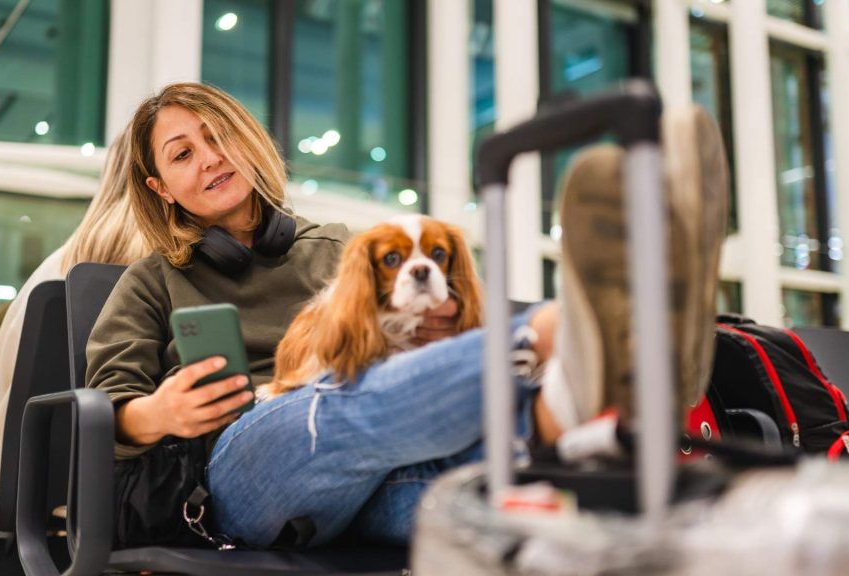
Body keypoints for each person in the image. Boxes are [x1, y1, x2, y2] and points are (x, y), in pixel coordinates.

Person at [86, 82, 728, 547]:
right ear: (160, 190)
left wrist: (435, 337)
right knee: (335, 397)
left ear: (249, 141)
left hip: (375, 478)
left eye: (218, 136)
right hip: (236, 474)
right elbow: (101, 411)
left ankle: (587, 403)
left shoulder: (340, 248)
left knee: (486, 490)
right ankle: (572, 336)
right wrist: (156, 414)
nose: (210, 157)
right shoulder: (150, 283)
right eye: (182, 153)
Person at [0, 126, 151, 488]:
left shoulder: (53, 269)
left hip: (30, 484)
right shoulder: (178, 274)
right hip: (134, 495)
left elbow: (1, 392)